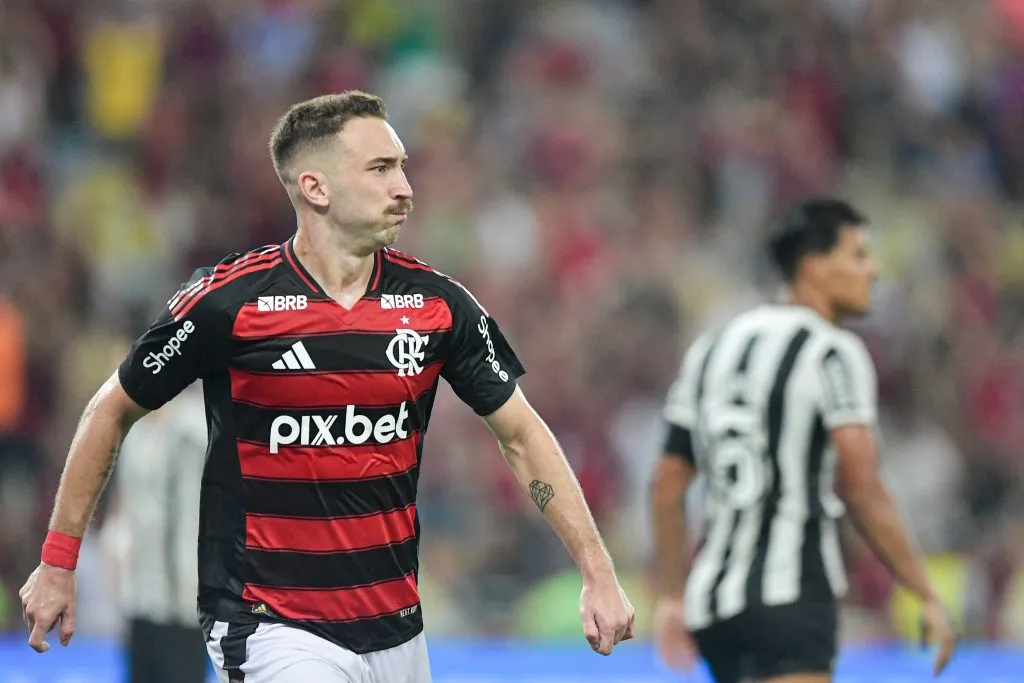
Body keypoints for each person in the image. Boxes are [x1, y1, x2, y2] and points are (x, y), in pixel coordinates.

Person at [20, 91, 635, 682]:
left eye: (402, 167)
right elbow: (110, 411)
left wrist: (597, 570)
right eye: (380, 168)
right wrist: (58, 561)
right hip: (269, 622)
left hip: (396, 627)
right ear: (316, 188)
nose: (405, 187)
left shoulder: (439, 306)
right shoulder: (229, 302)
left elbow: (522, 434)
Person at [648, 199, 958, 683]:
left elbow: (668, 482)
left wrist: (672, 596)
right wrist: (923, 591)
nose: (873, 271)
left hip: (712, 606)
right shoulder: (831, 352)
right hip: (790, 596)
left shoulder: (711, 348)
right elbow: (861, 488)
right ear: (814, 266)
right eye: (858, 255)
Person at [100, 382, 209, 683]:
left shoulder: (196, 424)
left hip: (185, 601)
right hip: (139, 598)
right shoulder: (135, 434)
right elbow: (124, 505)